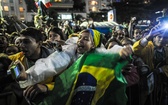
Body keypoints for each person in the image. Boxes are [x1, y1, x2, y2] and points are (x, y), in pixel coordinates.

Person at [14, 28, 133, 105]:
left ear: (93, 45)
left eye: (86, 39)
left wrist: (120, 53)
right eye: (79, 37)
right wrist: (28, 75)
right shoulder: (70, 52)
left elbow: (110, 53)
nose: (80, 41)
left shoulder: (99, 58)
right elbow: (51, 63)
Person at [7, 27, 55, 104]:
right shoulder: (15, 59)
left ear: (39, 43)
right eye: (20, 42)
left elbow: (65, 82)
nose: (21, 45)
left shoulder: (55, 60)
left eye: (26, 42)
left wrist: (46, 87)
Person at [133, 18, 168, 105]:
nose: (161, 39)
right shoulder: (148, 46)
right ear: (154, 38)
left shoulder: (166, 50)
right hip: (145, 82)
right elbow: (135, 50)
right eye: (159, 37)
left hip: (161, 83)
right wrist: (148, 37)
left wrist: (161, 70)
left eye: (164, 38)